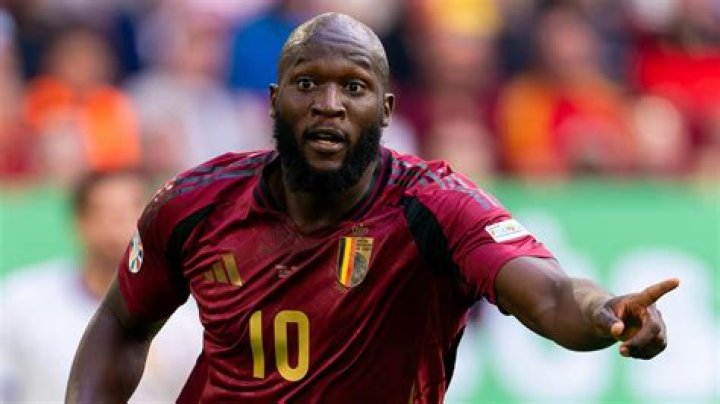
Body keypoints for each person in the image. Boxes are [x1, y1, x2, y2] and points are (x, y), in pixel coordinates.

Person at [66, 13, 679, 403]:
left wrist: (606, 312)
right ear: (275, 101)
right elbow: (121, 323)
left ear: (385, 110)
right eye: (308, 84)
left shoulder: (437, 208)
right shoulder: (196, 204)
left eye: (353, 87)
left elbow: (550, 295)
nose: (329, 104)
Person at [0, 169, 201, 402]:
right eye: (104, 212)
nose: (117, 225)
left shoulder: (190, 316)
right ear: (79, 221)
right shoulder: (21, 301)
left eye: (130, 211)